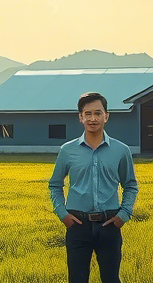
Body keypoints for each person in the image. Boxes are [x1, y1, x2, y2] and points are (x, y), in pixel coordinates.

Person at [48, 92, 138, 283]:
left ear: (107, 116)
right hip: (77, 225)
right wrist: (62, 214)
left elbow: (130, 185)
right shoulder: (67, 150)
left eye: (98, 113)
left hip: (110, 225)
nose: (93, 118)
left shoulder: (121, 150)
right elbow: (55, 185)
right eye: (87, 114)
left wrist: (124, 215)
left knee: (111, 279)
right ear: (80, 117)